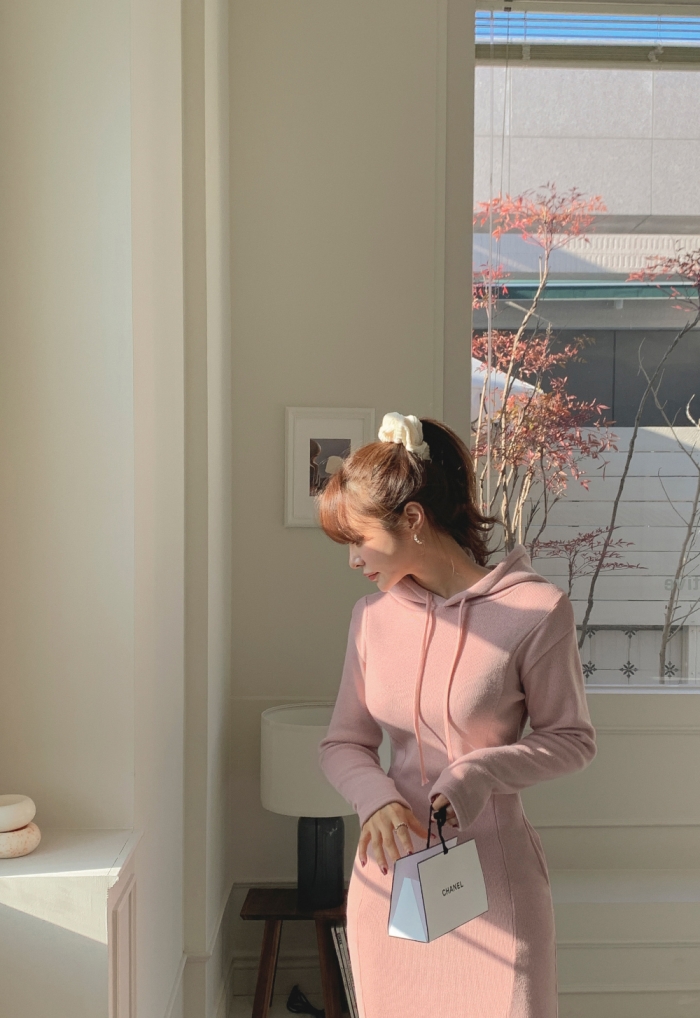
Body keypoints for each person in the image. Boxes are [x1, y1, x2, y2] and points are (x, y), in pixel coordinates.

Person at [317, 412, 597, 1018]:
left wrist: (479, 771)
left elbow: (571, 739)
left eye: (359, 540)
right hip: (390, 882)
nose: (353, 560)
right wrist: (375, 798)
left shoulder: (537, 610)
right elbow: (342, 743)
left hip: (495, 880)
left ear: (412, 520)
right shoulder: (372, 619)